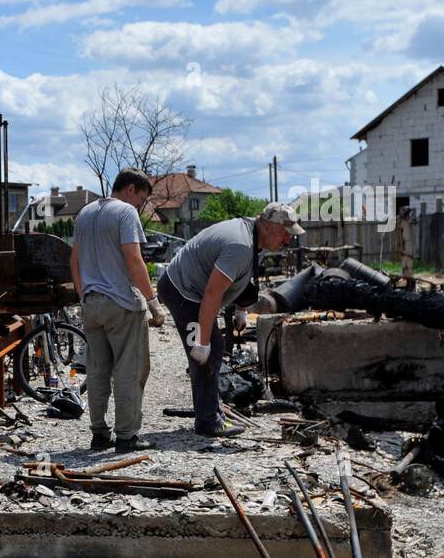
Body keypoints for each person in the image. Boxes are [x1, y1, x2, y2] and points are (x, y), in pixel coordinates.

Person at [157, 202, 304, 438]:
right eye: (285, 233)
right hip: (182, 290)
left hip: (195, 289)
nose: (288, 239)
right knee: (207, 354)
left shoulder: (253, 236)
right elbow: (212, 293)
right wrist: (202, 341)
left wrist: (240, 310)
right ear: (267, 226)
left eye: (290, 234)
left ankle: (211, 410)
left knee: (212, 349)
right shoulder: (240, 245)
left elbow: (244, 279)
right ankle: (208, 421)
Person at [69, 168, 166, 453]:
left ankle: (99, 435)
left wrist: (82, 294)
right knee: (130, 370)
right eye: (141, 199)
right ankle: (127, 437)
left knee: (97, 371)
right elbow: (133, 258)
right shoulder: (125, 213)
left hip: (92, 303)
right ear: (130, 190)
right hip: (122, 303)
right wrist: (153, 302)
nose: (139, 206)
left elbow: (74, 260)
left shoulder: (85, 213)